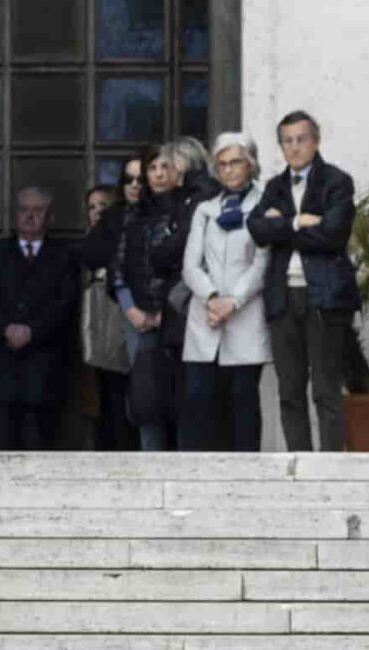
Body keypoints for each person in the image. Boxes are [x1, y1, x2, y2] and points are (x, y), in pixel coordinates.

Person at [251, 110, 356, 452]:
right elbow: (257, 229)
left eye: (301, 140)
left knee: (326, 389)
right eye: (287, 141)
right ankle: (299, 463)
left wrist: (282, 227)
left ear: (316, 141)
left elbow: (332, 235)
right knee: (290, 389)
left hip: (323, 296)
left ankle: (329, 467)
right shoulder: (274, 186)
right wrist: (299, 223)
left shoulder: (337, 181)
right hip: (283, 297)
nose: (294, 148)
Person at [0, 187, 81, 450]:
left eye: (38, 210)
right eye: (23, 210)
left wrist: (33, 331)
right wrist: (4, 329)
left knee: (40, 453)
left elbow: (66, 303)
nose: (29, 216)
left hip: (44, 374)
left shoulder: (64, 255)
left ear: (50, 217)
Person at [179, 133, 271, 452]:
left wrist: (234, 301)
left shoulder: (265, 204)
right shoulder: (205, 209)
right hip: (206, 315)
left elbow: (262, 262)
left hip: (245, 315)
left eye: (235, 162)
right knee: (198, 399)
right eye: (222, 164)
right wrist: (212, 297)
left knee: (243, 401)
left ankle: (245, 475)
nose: (228, 170)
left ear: (250, 164)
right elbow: (191, 265)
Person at [122, 139, 212, 452]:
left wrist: (167, 310)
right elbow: (119, 266)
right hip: (144, 318)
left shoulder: (192, 204)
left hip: (181, 314)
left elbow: (192, 261)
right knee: (150, 402)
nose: (161, 174)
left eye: (168, 166)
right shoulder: (136, 213)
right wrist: (133, 308)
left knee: (188, 400)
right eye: (154, 168)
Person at [78, 184, 134, 450]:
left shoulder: (121, 237)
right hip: (92, 328)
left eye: (103, 206)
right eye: (92, 207)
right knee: (97, 396)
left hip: (118, 321)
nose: (97, 212)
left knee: (119, 391)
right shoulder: (87, 246)